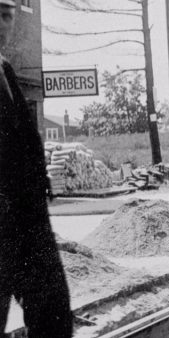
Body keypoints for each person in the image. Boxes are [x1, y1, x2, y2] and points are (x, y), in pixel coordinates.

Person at [0, 1, 74, 335]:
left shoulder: (5, 71)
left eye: (6, 16)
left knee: (53, 310)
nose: (2, 26)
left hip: (25, 221)